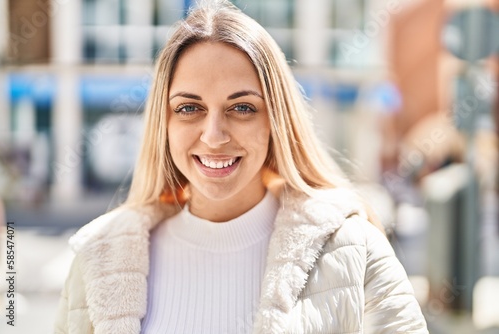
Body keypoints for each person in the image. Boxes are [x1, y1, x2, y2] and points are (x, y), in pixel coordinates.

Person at [54, 1, 428, 333]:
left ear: (274, 121)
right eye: (189, 108)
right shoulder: (99, 259)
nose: (214, 136)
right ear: (163, 123)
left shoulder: (354, 250)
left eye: (242, 108)